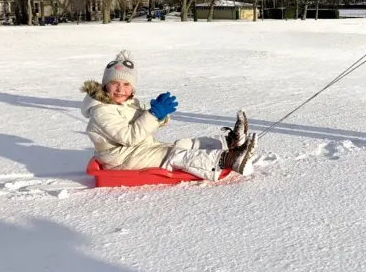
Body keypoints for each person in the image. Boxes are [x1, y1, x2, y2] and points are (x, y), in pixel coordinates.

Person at [80, 50, 258, 179]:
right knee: (174, 156)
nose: (120, 89)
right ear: (105, 85)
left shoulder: (127, 102)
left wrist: (159, 114)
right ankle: (228, 160)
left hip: (138, 151)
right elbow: (129, 137)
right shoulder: (101, 111)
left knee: (182, 144)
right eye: (114, 83)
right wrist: (152, 114)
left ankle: (228, 144)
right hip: (120, 159)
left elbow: (144, 123)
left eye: (126, 84)